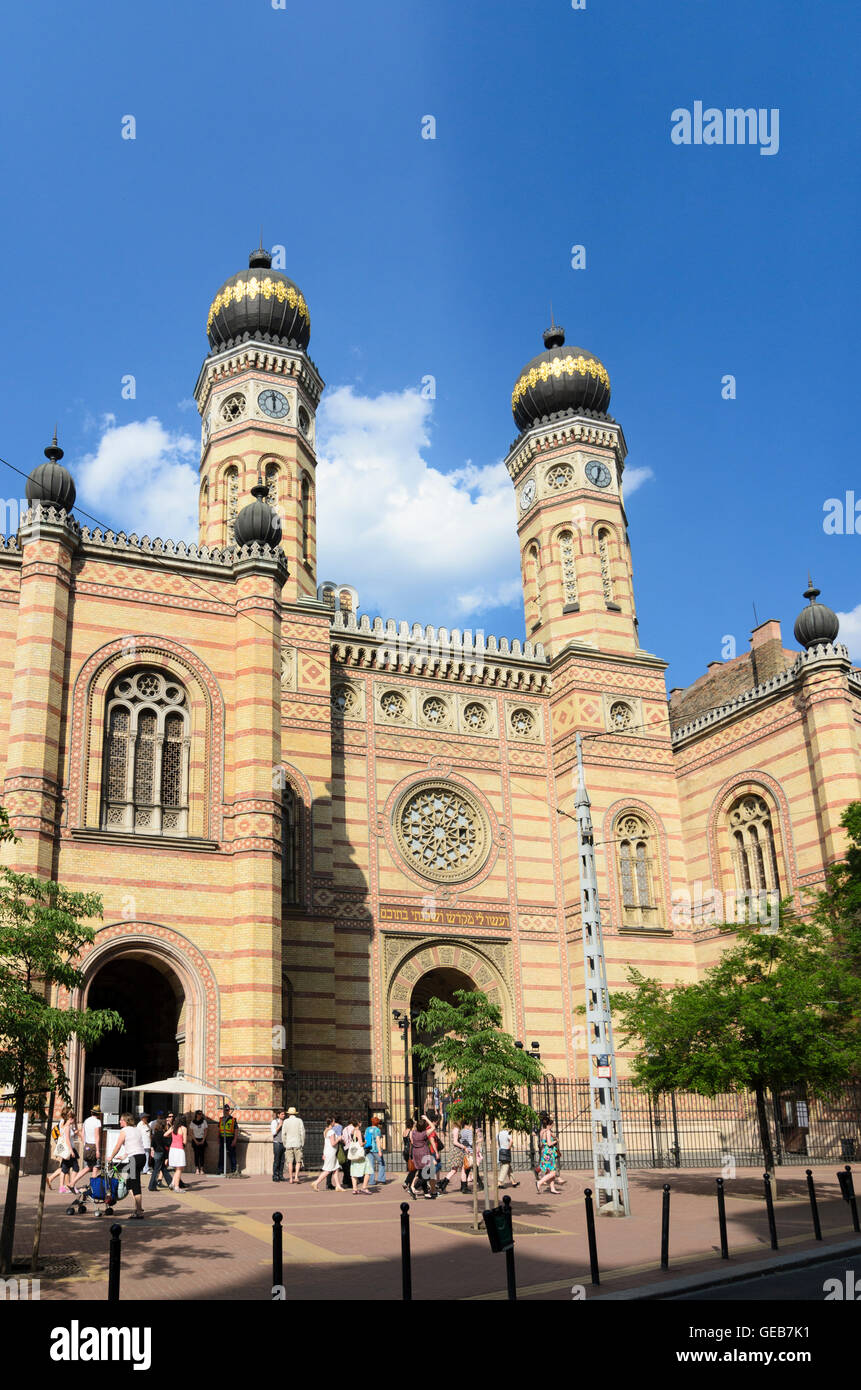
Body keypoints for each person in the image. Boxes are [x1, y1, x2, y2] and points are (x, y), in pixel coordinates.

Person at [109, 1113, 146, 1219]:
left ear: (125, 1121)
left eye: (121, 1120)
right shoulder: (136, 1130)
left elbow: (118, 1145)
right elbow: (135, 1145)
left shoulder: (124, 1131)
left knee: (135, 1184)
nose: (120, 1121)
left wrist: (111, 1157)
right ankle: (138, 1207)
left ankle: (139, 1211)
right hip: (141, 1157)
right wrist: (125, 1155)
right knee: (129, 1182)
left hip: (134, 1159)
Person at [73, 1105, 103, 1196]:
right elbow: (97, 1136)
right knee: (95, 1167)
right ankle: (93, 1188)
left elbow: (83, 1134)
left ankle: (72, 1183)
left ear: (91, 1112)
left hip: (87, 1146)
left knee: (88, 1167)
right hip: (94, 1146)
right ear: (98, 1114)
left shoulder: (86, 1120)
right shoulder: (97, 1122)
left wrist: (85, 1144)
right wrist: (98, 1150)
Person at [312, 1117, 344, 1191]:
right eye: (334, 1122)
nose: (335, 1123)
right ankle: (316, 1182)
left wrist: (324, 1153)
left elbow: (325, 1143)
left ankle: (338, 1186)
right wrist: (338, 1139)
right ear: (332, 1123)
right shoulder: (331, 1132)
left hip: (328, 1152)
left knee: (336, 1169)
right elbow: (333, 1143)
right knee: (328, 1170)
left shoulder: (326, 1131)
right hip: (331, 1152)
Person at [408, 1118, 436, 1199]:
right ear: (424, 1127)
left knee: (421, 1172)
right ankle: (414, 1187)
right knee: (427, 1174)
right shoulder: (424, 1133)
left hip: (416, 1153)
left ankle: (426, 1193)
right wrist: (427, 1119)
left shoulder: (413, 1132)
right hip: (424, 1153)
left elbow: (412, 1141)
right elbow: (433, 1127)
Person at [440, 1120, 469, 1194]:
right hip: (456, 1151)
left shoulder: (456, 1129)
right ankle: (442, 1184)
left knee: (461, 1168)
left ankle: (463, 1187)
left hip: (458, 1151)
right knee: (455, 1170)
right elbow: (455, 1142)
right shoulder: (456, 1129)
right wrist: (464, 1147)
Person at [536, 1114, 562, 1194]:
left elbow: (546, 1139)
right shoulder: (547, 1132)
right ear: (548, 1125)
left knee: (550, 1172)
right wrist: (556, 1141)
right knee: (553, 1172)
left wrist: (554, 1136)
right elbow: (550, 1143)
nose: (552, 1127)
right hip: (549, 1153)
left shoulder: (542, 1131)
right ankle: (539, 1182)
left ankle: (552, 1188)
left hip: (544, 1152)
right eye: (551, 1125)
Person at [46, 1109, 69, 1191]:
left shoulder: (63, 1121)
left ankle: (52, 1179)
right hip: (64, 1145)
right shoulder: (63, 1121)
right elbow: (63, 1133)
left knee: (65, 1166)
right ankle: (66, 1186)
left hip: (63, 1145)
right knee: (65, 1166)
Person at [58, 1110, 80, 1194]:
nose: (74, 1120)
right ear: (70, 1118)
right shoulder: (67, 1127)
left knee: (64, 1168)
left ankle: (62, 1187)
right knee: (75, 1168)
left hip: (66, 1150)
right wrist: (72, 1151)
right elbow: (67, 1139)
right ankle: (71, 1185)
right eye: (73, 1118)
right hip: (69, 1149)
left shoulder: (63, 1125)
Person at [281, 1107, 305, 1183]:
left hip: (288, 1143)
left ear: (288, 1114)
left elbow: (283, 1134)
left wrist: (285, 1143)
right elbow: (302, 1132)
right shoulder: (299, 1121)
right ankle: (296, 1177)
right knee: (298, 1161)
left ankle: (291, 1178)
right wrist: (302, 1142)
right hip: (297, 1143)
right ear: (295, 1114)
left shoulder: (285, 1121)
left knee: (290, 1161)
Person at [347, 1123, 370, 1195]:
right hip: (359, 1155)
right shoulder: (358, 1131)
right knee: (368, 1170)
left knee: (354, 1171)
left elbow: (353, 1141)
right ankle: (364, 1187)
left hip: (354, 1154)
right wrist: (365, 1142)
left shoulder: (352, 1131)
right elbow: (360, 1144)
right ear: (358, 1124)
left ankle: (355, 1189)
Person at [363, 1114, 385, 1189]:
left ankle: (371, 1181)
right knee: (381, 1163)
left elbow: (365, 1138)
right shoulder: (377, 1130)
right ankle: (381, 1179)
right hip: (375, 1149)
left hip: (368, 1149)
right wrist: (379, 1150)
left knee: (370, 1165)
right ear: (377, 1123)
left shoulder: (367, 1129)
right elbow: (378, 1140)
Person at [148, 1116, 170, 1191]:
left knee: (163, 1169)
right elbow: (165, 1145)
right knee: (156, 1170)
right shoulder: (163, 1134)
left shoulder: (155, 1133)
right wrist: (167, 1156)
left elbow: (152, 1144)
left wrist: (152, 1150)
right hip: (161, 1153)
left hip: (157, 1152)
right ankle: (151, 1186)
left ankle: (171, 1183)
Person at [168, 1113, 189, 1191]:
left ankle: (172, 1183)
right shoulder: (184, 1128)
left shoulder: (173, 1127)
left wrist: (172, 1137)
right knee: (179, 1169)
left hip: (172, 1149)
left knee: (177, 1168)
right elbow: (185, 1141)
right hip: (179, 1149)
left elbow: (165, 1134)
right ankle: (176, 1187)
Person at [218, 1104, 238, 1175]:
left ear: (229, 1110)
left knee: (232, 1155)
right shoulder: (221, 1119)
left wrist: (235, 1140)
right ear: (223, 1110)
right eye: (225, 1110)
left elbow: (236, 1130)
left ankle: (234, 1169)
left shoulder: (233, 1120)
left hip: (230, 1139)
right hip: (222, 1139)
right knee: (221, 1155)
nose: (226, 1111)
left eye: (227, 1110)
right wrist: (218, 1139)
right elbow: (218, 1130)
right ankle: (220, 1169)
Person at [271, 1108, 286, 1182]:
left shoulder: (285, 1122)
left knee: (282, 1160)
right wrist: (279, 1125)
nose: (284, 1115)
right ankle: (275, 1176)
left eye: (284, 1114)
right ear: (278, 1115)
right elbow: (273, 1132)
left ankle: (281, 1175)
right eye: (282, 1114)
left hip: (283, 1143)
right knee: (277, 1160)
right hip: (277, 1143)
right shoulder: (274, 1122)